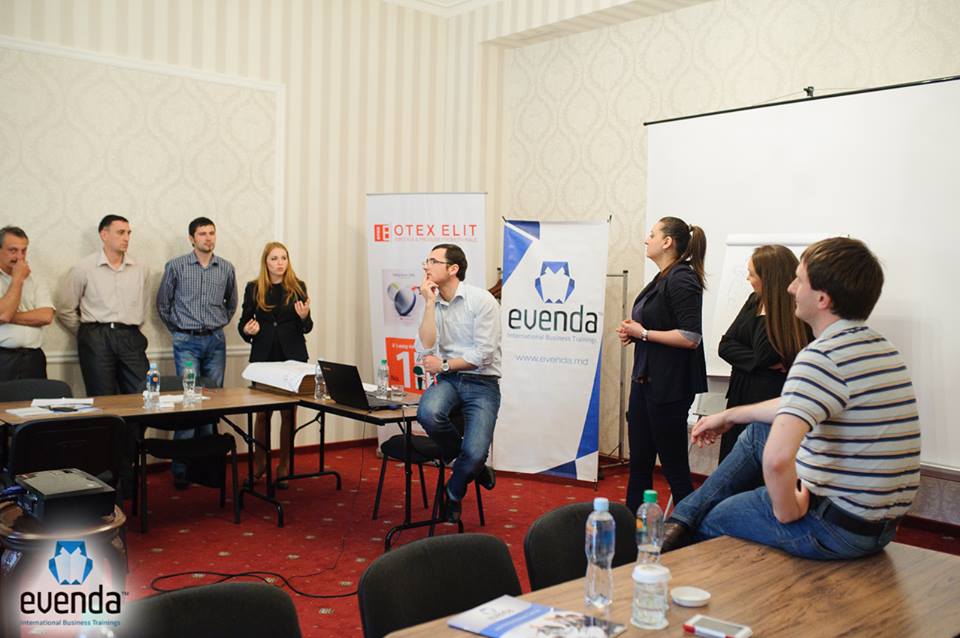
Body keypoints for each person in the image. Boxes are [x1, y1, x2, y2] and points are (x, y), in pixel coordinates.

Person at [662, 237, 920, 560]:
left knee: (711, 519)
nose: (790, 288)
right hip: (877, 528)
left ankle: (677, 548)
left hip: (833, 529)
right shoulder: (880, 348)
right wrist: (729, 416)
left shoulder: (822, 357)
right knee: (758, 431)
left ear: (823, 299)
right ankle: (681, 518)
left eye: (799, 280)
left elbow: (776, 459)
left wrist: (786, 510)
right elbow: (794, 404)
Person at [617, 216, 707, 514]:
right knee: (639, 464)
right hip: (645, 382)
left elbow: (690, 337)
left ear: (667, 242)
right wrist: (636, 334)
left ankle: (689, 528)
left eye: (652, 234)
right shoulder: (661, 278)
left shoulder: (682, 278)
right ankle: (634, 528)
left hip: (669, 388)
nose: (647, 239)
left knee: (674, 468)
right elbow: (658, 326)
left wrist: (643, 333)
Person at [415, 243, 501, 524]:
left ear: (453, 269)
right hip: (450, 380)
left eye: (433, 261)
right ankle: (474, 467)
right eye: (426, 261)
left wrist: (443, 364)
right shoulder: (433, 301)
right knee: (428, 412)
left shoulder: (481, 301)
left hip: (483, 382)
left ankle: (453, 491)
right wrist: (429, 305)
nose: (426, 266)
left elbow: (484, 354)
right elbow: (425, 348)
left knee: (475, 453)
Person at [157, 217, 238, 489]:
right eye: (202, 234)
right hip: (186, 341)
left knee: (212, 403)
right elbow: (163, 304)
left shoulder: (225, 268)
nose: (208, 238)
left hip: (215, 340)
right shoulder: (177, 266)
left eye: (212, 233)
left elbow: (231, 305)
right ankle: (181, 469)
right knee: (189, 402)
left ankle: (207, 467)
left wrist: (216, 324)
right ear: (192, 238)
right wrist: (180, 330)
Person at [716, 245, 811, 462]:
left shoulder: (795, 310)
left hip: (767, 399)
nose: (747, 279)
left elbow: (764, 354)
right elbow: (725, 345)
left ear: (768, 278)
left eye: (751, 274)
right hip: (740, 394)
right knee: (730, 463)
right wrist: (760, 362)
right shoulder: (754, 300)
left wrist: (767, 309)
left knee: (755, 466)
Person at [238, 242, 312, 487]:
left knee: (288, 414)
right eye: (274, 258)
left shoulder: (298, 287)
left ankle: (284, 466)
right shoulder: (254, 288)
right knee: (262, 415)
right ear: (266, 262)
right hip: (264, 357)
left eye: (283, 258)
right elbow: (244, 323)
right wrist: (248, 330)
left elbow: (307, 326)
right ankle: (260, 463)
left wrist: (304, 317)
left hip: (293, 356)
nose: (280, 263)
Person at [57, 215, 149, 396]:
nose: (126, 238)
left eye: (128, 233)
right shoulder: (84, 268)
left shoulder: (140, 268)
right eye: (120, 232)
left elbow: (143, 305)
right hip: (96, 336)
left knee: (142, 393)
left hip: (130, 335)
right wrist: (87, 332)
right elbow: (65, 309)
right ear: (104, 235)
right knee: (101, 396)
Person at [0, 226, 54, 381]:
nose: (20, 257)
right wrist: (17, 279)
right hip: (3, 357)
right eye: (13, 250)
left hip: (33, 358)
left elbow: (46, 316)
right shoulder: (20, 276)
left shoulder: (36, 278)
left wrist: (9, 314)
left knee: (36, 397)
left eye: (23, 251)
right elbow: (3, 315)